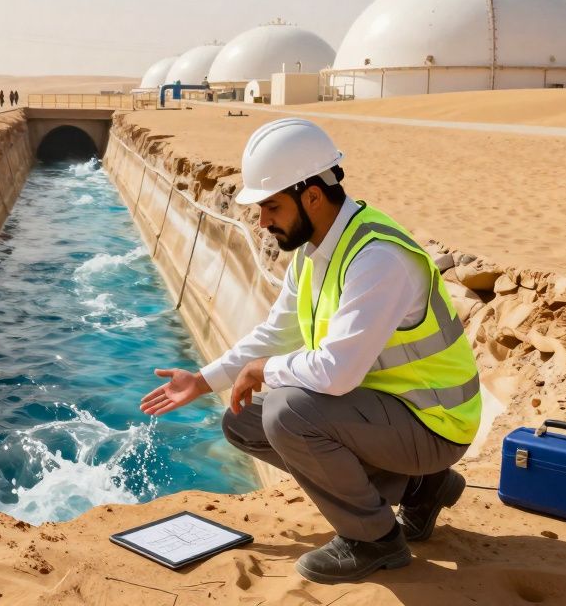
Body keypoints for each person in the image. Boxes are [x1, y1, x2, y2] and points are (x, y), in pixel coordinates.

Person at [140, 118, 480, 585]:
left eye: (272, 206)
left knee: (288, 412)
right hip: (389, 412)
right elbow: (276, 332)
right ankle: (420, 487)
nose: (263, 222)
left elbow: (335, 374)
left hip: (436, 423)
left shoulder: (377, 258)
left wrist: (264, 370)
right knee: (243, 420)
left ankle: (374, 540)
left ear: (313, 196)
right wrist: (203, 380)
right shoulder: (314, 251)